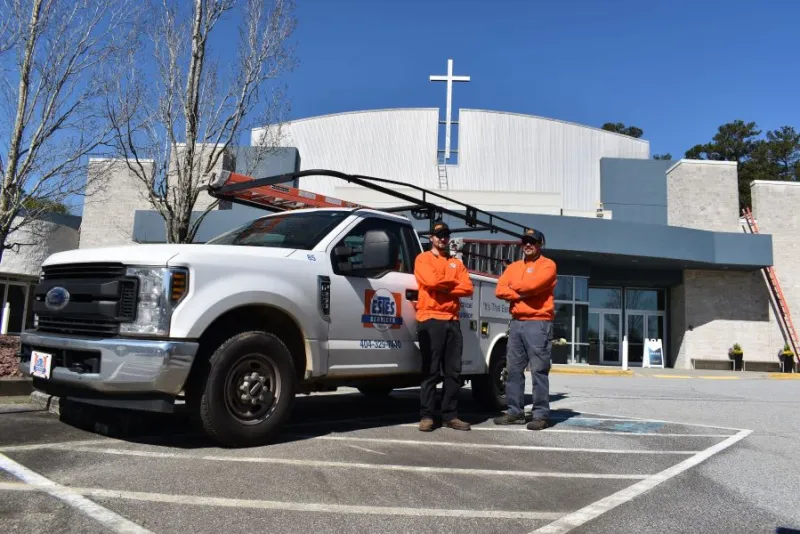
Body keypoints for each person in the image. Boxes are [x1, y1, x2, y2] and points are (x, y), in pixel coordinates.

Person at [493, 228, 557, 430]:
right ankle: (515, 412)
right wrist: (519, 294)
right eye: (525, 241)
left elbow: (533, 286)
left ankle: (541, 415)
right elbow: (499, 290)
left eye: (532, 241)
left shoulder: (548, 265)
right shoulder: (513, 267)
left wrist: (513, 289)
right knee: (513, 370)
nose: (528, 244)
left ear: (540, 244)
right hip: (517, 322)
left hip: (539, 322)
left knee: (538, 370)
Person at [413, 221, 474, 432]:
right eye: (439, 235)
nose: (443, 239)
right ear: (431, 237)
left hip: (452, 320)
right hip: (429, 318)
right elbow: (431, 281)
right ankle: (427, 416)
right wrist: (452, 284)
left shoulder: (456, 263)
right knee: (430, 370)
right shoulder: (423, 259)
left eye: (446, 235)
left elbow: (468, 288)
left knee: (453, 372)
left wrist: (444, 286)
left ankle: (450, 415)